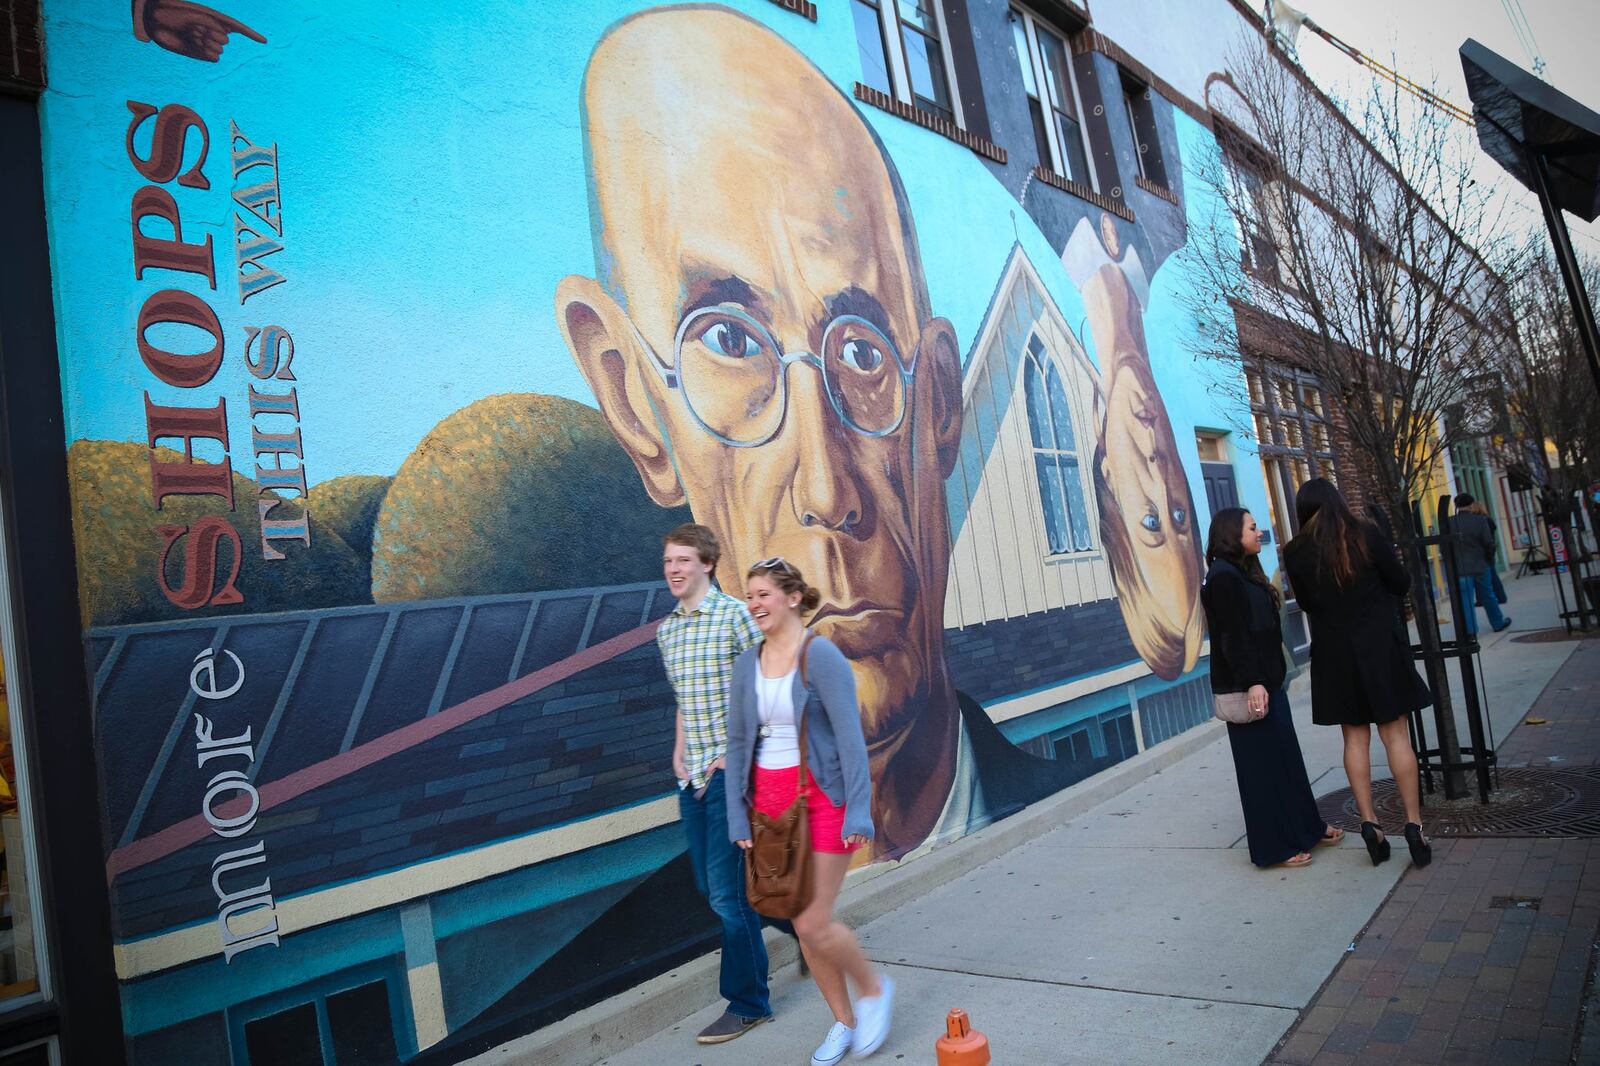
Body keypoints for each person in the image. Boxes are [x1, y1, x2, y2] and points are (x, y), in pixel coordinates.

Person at [558, 6, 1097, 859]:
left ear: (942, 407)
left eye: (862, 352)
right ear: (635, 408)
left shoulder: (1070, 815)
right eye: (728, 341)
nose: (825, 490)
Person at [726, 558, 892, 1064]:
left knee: (815, 922)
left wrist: (858, 810)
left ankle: (873, 989)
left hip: (824, 800)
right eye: (749, 595)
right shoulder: (745, 664)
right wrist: (738, 816)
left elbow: (849, 738)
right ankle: (844, 1022)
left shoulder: (820, 658)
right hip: (771, 810)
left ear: (792, 597)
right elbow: (737, 745)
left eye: (762, 594)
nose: (753, 603)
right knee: (803, 926)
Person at [655, 524, 775, 1045]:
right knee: (715, 890)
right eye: (668, 562)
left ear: (707, 563)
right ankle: (809, 935)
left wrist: (738, 755)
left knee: (727, 897)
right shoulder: (668, 632)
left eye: (683, 560)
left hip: (732, 774)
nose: (674, 570)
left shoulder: (734, 618)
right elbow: (688, 697)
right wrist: (679, 748)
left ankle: (748, 1004)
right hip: (693, 777)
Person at [1283, 479, 1433, 868]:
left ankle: (1370, 823)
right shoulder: (1366, 534)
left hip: (1335, 654)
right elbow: (1400, 583)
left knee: (1354, 739)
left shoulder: (1296, 552)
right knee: (1396, 735)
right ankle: (1414, 825)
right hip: (1380, 648)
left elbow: (1306, 603)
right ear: (1338, 500)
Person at [1201, 507, 1340, 868]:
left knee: (1286, 763)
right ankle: (1274, 847)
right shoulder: (1221, 578)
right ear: (1233, 533)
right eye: (1251, 527)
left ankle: (1307, 827)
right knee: (1261, 771)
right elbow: (1232, 637)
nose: (1259, 531)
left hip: (1268, 682)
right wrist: (1254, 683)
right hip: (1252, 687)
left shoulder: (1242, 571)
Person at [1451, 493, 1510, 635]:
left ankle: (1470, 631)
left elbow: (1445, 547)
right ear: (1471, 505)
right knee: (1488, 595)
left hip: (1460, 567)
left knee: (1465, 599)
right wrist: (1489, 559)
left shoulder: (1449, 523)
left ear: (1457, 506)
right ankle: (1497, 623)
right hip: (1480, 564)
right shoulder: (1480, 520)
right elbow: (1488, 543)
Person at [1466, 498, 1509, 610]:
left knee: (1486, 576)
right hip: (1489, 550)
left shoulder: (1480, 521)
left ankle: (1491, 598)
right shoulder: (1487, 519)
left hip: (1483, 552)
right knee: (1491, 575)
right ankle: (1499, 597)